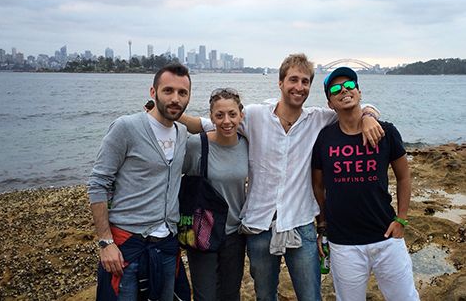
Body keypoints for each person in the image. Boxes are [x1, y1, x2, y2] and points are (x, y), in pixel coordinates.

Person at [180, 53, 384, 301]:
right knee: (265, 297)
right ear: (280, 83)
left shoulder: (318, 119)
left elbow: (355, 108)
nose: (299, 87)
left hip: (300, 224)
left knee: (310, 296)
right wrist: (166, 113)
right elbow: (207, 123)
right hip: (259, 226)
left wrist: (369, 117)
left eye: (305, 81)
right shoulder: (255, 115)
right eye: (293, 80)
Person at [311, 67, 419, 300]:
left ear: (359, 92)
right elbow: (318, 185)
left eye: (350, 85)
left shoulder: (386, 131)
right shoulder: (324, 138)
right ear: (330, 102)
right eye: (336, 89)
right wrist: (322, 225)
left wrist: (401, 218)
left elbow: (404, 176)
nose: (344, 91)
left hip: (387, 237)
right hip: (343, 244)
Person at [87, 63, 191, 301]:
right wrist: (105, 242)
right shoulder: (126, 127)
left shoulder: (183, 133)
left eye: (182, 93)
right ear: (153, 93)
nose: (175, 98)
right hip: (127, 245)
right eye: (168, 91)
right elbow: (98, 183)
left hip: (167, 245)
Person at [182, 88, 249, 301]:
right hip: (203, 230)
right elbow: (176, 180)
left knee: (230, 294)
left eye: (232, 114)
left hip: (234, 234)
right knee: (205, 295)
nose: (226, 121)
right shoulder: (196, 145)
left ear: (241, 115)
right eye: (219, 115)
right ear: (211, 117)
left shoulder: (247, 144)